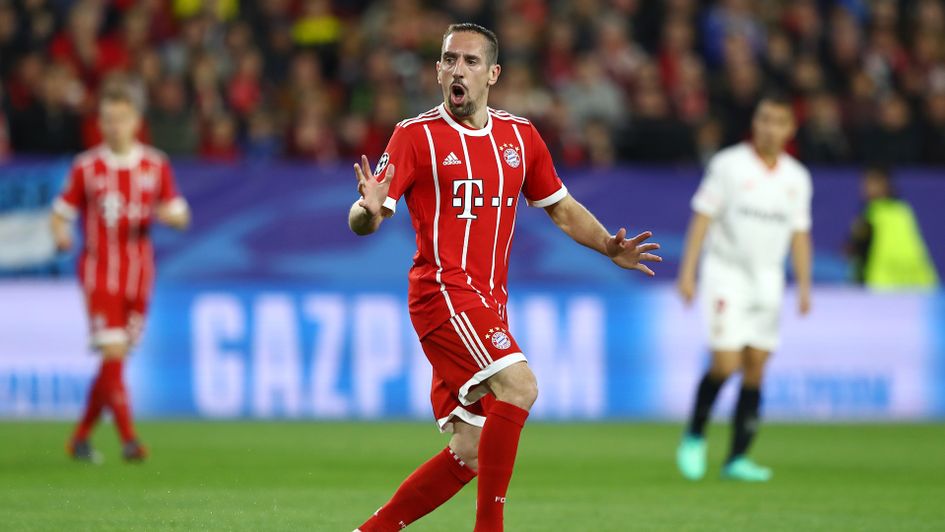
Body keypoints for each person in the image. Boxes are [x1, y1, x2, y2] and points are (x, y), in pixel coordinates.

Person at [348, 23, 662, 531]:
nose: (458, 70)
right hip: (443, 292)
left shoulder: (520, 137)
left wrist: (608, 245)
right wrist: (367, 210)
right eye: (450, 60)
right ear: (438, 70)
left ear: (493, 74)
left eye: (470, 61)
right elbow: (364, 217)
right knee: (520, 385)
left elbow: (560, 208)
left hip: (488, 303)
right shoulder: (415, 135)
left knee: (472, 449)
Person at [675, 94, 813, 482]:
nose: (769, 128)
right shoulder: (729, 165)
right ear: (755, 123)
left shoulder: (796, 178)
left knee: (756, 366)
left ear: (790, 129)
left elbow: (800, 234)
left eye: (778, 121)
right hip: (726, 274)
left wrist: (804, 286)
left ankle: (736, 458)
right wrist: (688, 273)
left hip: (768, 280)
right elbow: (702, 219)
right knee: (725, 363)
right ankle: (694, 434)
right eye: (764, 119)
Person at [51, 85, 191, 463]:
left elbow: (181, 213)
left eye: (122, 119)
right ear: (100, 124)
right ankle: (130, 440)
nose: (115, 126)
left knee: (114, 361)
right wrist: (61, 234)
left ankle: (80, 438)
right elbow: (60, 213)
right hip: (100, 274)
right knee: (113, 351)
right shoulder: (86, 167)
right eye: (108, 119)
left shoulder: (155, 165)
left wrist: (173, 216)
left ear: (136, 122)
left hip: (140, 276)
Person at [846, 167, 938, 290]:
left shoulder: (876, 213)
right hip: (912, 286)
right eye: (866, 183)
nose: (867, 188)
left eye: (873, 183)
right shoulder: (903, 210)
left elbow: (856, 251)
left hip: (885, 286)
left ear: (886, 184)